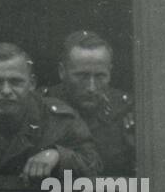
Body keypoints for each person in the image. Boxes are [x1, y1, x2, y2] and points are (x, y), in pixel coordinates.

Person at [0, 42, 102, 192]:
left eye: (16, 82)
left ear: (32, 83)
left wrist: (57, 156)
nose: (6, 90)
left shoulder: (59, 119)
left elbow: (93, 164)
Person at [42, 31, 136, 176]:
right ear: (62, 71)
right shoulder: (40, 105)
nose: (91, 87)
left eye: (100, 76)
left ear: (110, 72)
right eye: (82, 76)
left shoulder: (128, 109)